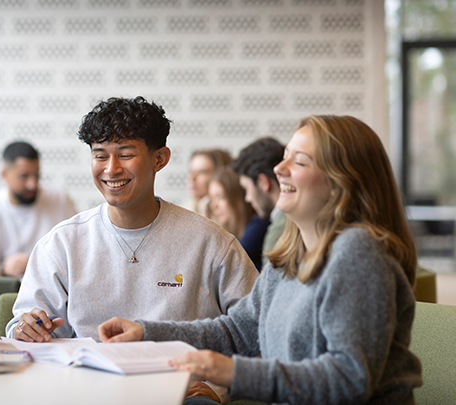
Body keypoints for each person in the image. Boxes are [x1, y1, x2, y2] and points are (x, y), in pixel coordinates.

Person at [99, 115, 423, 405]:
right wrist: (147, 333)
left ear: (341, 182)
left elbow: (349, 379)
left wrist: (233, 373)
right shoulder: (289, 256)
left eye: (300, 162)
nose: (279, 170)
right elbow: (238, 331)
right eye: (284, 159)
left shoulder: (358, 254)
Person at [6, 96, 259, 404]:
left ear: (159, 159)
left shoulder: (211, 243)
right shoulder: (61, 244)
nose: (111, 169)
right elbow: (24, 333)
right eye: (100, 156)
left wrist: (219, 389)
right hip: (86, 393)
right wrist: (25, 330)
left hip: (181, 396)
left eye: (125, 155)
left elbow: (258, 332)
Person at [0, 141, 77, 278]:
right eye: (24, 176)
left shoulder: (59, 199)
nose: (32, 184)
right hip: (11, 293)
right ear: (5, 174)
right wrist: (4, 267)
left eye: (36, 175)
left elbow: (79, 249)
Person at [232, 137, 285, 266]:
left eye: (247, 189)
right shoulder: (277, 221)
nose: (247, 198)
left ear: (263, 182)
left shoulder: (281, 229)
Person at [208, 167, 270, 271]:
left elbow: (225, 265)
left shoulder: (258, 226)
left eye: (220, 197)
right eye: (211, 199)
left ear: (238, 199)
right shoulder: (235, 234)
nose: (213, 206)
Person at [187, 149, 232, 222]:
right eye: (191, 171)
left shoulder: (227, 216)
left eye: (202, 172)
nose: (192, 178)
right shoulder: (185, 210)